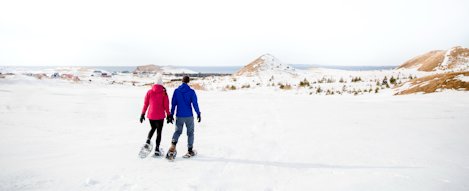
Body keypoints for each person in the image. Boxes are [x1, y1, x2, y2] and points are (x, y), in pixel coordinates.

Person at [167, 75, 201, 157]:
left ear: (182, 81)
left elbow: (173, 104)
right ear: (188, 82)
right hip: (189, 116)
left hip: (179, 115)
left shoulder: (176, 91)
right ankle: (190, 150)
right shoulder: (191, 91)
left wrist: (171, 114)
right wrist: (198, 113)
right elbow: (195, 104)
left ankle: (173, 144)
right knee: (190, 133)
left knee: (177, 132)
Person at [140, 75, 170, 156]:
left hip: (151, 115)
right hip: (160, 116)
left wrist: (142, 114)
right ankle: (157, 149)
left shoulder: (149, 92)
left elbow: (146, 104)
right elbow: (166, 105)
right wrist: (169, 115)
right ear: (161, 83)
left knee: (153, 128)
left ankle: (148, 141)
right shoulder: (164, 92)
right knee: (159, 132)